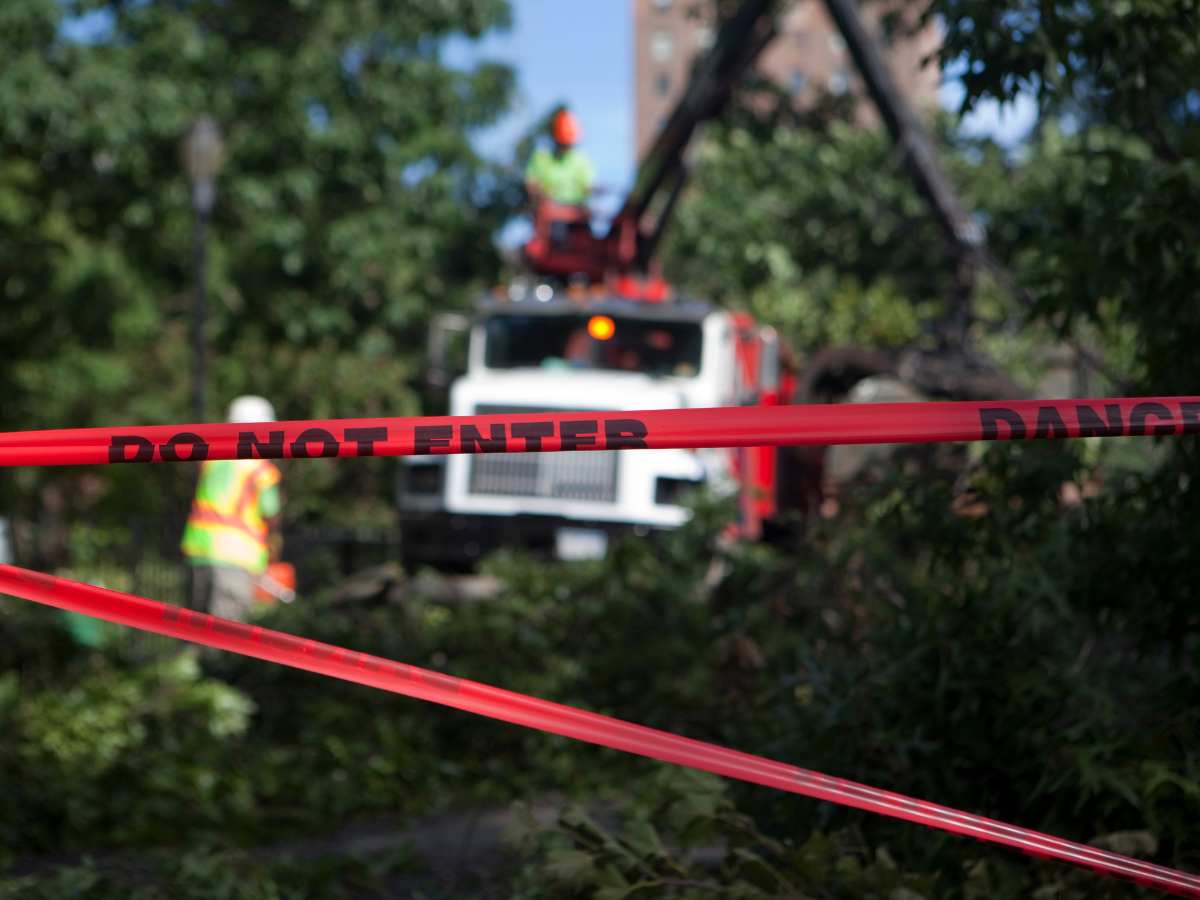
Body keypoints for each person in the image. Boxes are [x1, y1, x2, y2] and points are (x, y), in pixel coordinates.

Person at [181, 395, 283, 622]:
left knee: (193, 626)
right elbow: (271, 512)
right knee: (227, 632)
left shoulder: (213, 456)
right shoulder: (258, 466)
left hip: (197, 548)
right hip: (233, 554)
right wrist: (274, 543)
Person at [524, 109, 595, 207]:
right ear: (555, 139)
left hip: (575, 210)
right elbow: (531, 183)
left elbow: (587, 189)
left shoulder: (581, 161)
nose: (565, 148)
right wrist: (539, 193)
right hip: (548, 210)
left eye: (567, 145)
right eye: (562, 144)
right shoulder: (541, 156)